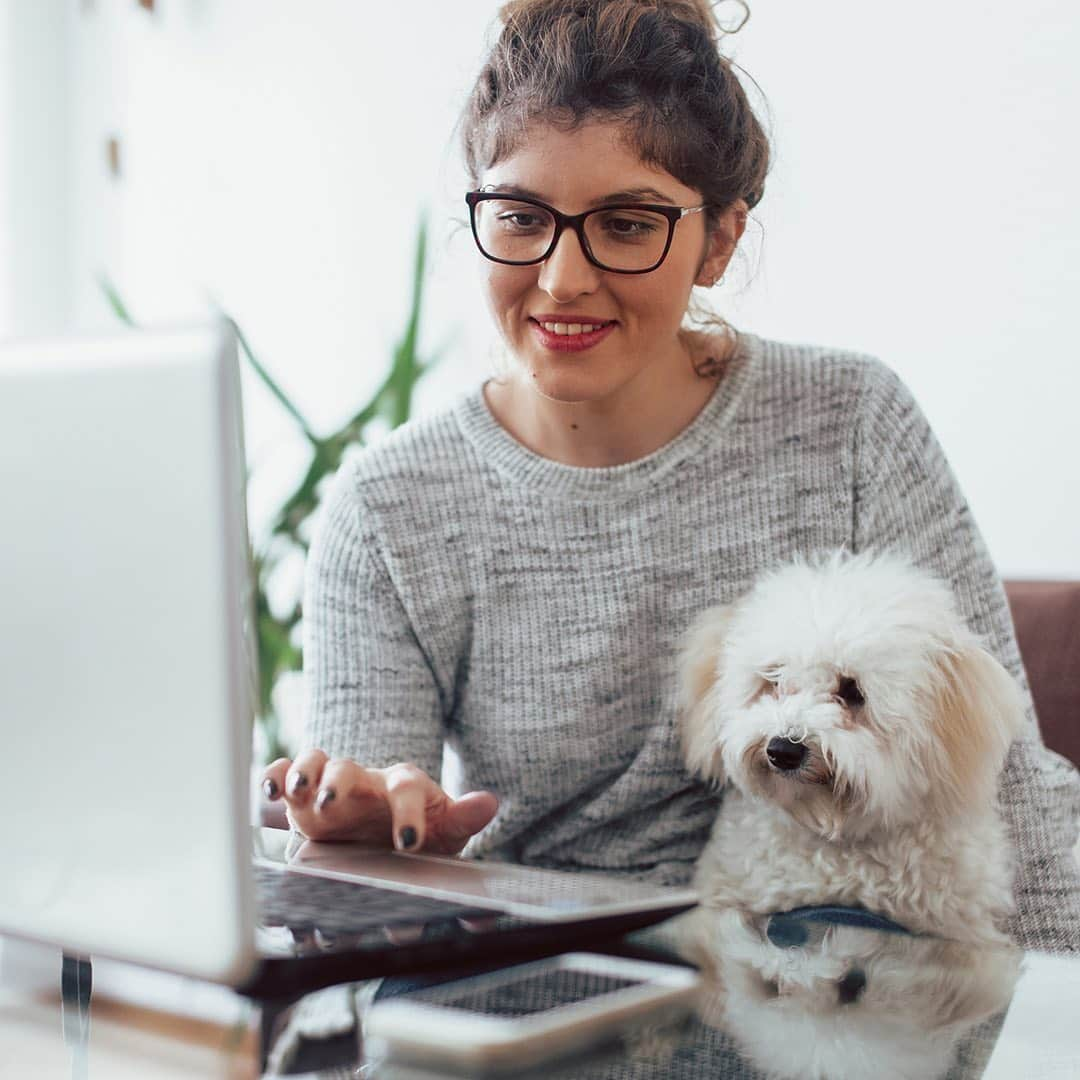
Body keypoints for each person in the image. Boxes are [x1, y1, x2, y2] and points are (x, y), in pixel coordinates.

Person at [262, 0, 1080, 954]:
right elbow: (355, 908)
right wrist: (368, 851)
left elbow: (1013, 788)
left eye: (627, 222)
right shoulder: (390, 510)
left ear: (720, 240)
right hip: (536, 993)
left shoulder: (849, 422)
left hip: (834, 992)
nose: (562, 278)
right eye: (521, 216)